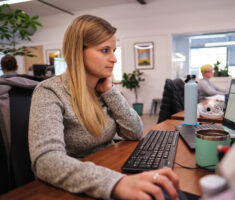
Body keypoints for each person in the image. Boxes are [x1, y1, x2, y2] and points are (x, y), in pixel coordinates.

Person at [28, 15, 179, 200]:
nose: (114, 59)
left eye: (114, 50)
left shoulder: (103, 89)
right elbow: (46, 161)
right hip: (77, 186)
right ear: (78, 51)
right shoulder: (49, 91)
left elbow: (134, 131)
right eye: (105, 50)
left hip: (110, 167)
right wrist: (115, 183)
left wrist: (109, 90)